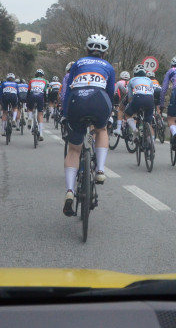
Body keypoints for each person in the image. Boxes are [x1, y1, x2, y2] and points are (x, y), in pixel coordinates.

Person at [61, 35, 115, 216]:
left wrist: (64, 114)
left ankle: (69, 191)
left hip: (77, 101)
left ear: (87, 50)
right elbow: (110, 93)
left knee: (74, 150)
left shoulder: (77, 63)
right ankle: (100, 170)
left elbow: (68, 91)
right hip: (99, 100)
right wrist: (110, 115)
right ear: (105, 52)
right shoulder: (108, 67)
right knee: (101, 129)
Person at [28, 69, 48, 141]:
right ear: (42, 76)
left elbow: (29, 91)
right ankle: (41, 134)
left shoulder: (31, 80)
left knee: (30, 108)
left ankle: (30, 118)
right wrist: (45, 102)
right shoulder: (45, 81)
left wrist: (27, 101)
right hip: (40, 96)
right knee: (40, 114)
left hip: (32, 95)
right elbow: (45, 92)